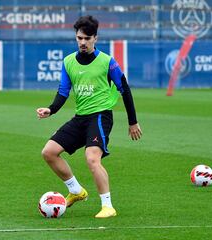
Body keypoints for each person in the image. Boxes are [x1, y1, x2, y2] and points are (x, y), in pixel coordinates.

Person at [36, 15, 142, 218]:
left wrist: (133, 122)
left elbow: (125, 89)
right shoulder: (68, 62)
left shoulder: (107, 62)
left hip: (101, 117)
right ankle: (76, 191)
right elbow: (63, 92)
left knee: (92, 158)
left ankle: (107, 206)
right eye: (79, 38)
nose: (82, 42)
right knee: (48, 152)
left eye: (87, 38)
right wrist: (51, 109)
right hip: (80, 118)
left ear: (95, 38)